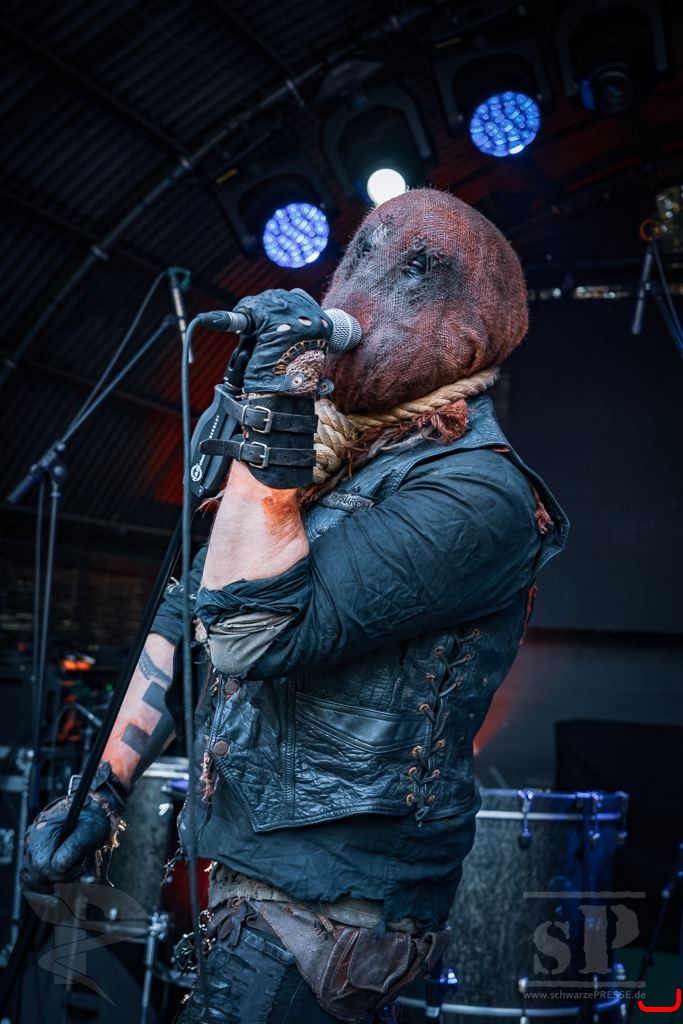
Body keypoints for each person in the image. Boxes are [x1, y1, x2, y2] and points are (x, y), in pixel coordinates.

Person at [22, 188, 568, 1023]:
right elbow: (188, 615)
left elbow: (249, 629)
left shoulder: (478, 493)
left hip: (335, 906)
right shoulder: (333, 458)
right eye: (361, 259)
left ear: (464, 335)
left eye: (412, 276)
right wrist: (102, 787)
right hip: (260, 885)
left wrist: (273, 413)